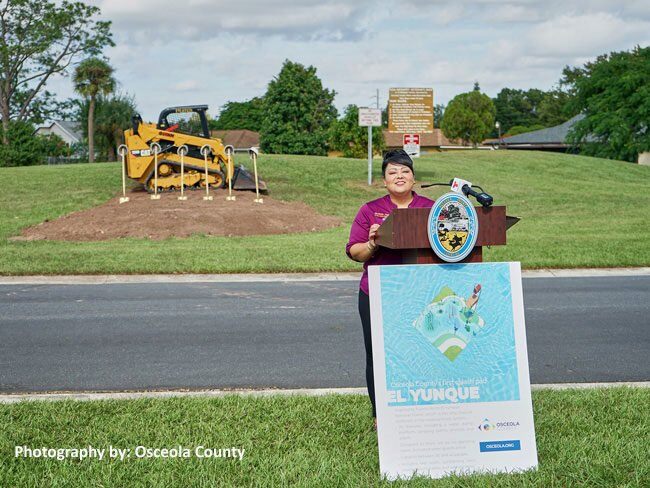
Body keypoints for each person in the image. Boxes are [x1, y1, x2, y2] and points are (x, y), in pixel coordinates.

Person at [345, 149, 435, 425]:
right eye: (392, 172)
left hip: (421, 294)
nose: (399, 176)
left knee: (421, 353)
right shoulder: (370, 210)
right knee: (379, 354)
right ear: (384, 181)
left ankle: (421, 409)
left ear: (413, 177)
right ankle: (380, 414)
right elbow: (354, 251)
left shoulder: (431, 208)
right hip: (377, 293)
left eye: (404, 171)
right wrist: (373, 243)